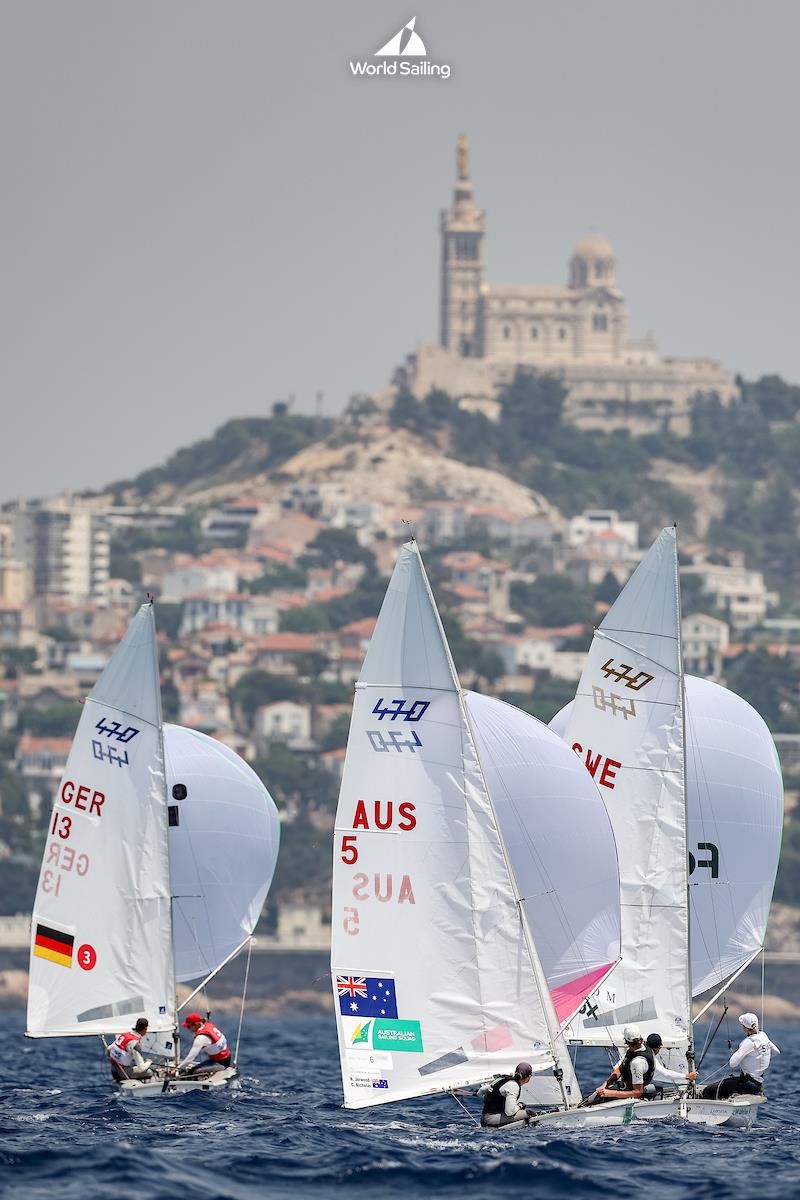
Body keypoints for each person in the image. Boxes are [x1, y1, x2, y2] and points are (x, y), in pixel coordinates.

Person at [701, 1013, 780, 1100]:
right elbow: (776, 1052)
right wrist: (759, 1058)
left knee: (708, 1091)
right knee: (723, 1084)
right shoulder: (763, 1035)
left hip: (747, 1085)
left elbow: (732, 1063)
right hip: (757, 1084)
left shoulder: (748, 1042)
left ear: (744, 1027)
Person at [584, 1025, 655, 1105]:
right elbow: (621, 1068)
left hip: (632, 1093)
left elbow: (638, 1092)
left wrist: (610, 1093)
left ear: (626, 1040)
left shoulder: (637, 1063)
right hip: (625, 1087)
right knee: (591, 1097)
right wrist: (605, 1085)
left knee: (595, 1099)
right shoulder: (636, 1049)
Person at [477, 1062, 533, 1127]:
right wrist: (520, 1106)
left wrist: (477, 1093)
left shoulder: (503, 1079)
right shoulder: (513, 1086)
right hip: (491, 1120)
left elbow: (481, 1090)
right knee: (530, 1113)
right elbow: (509, 1112)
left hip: (484, 1119)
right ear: (528, 1077)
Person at [108, 1017, 153, 1083]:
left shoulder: (125, 1035)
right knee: (150, 1072)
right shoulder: (135, 1044)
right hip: (123, 1073)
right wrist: (149, 1062)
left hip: (113, 1070)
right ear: (145, 1029)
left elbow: (109, 1049)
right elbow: (142, 1068)